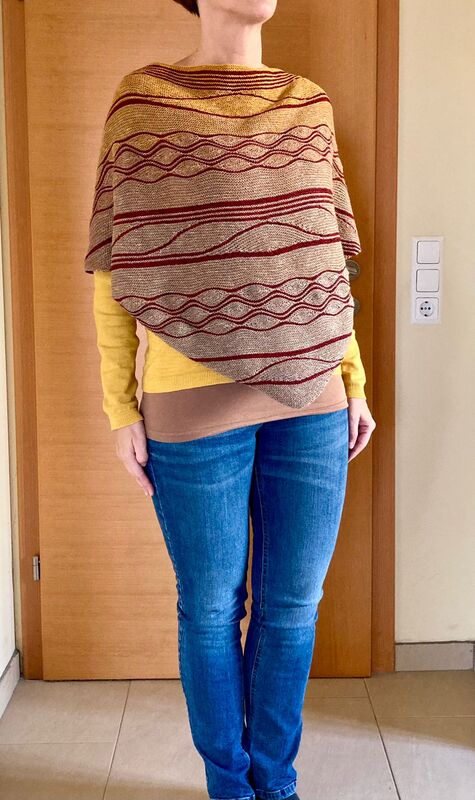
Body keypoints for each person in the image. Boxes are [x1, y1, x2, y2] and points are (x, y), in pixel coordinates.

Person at [85, 2, 376, 798]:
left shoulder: (307, 102)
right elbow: (114, 267)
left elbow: (325, 264)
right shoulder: (142, 101)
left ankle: (274, 783)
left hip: (312, 401)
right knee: (211, 609)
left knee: (293, 608)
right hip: (189, 408)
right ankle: (229, 784)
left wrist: (352, 378)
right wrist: (120, 408)